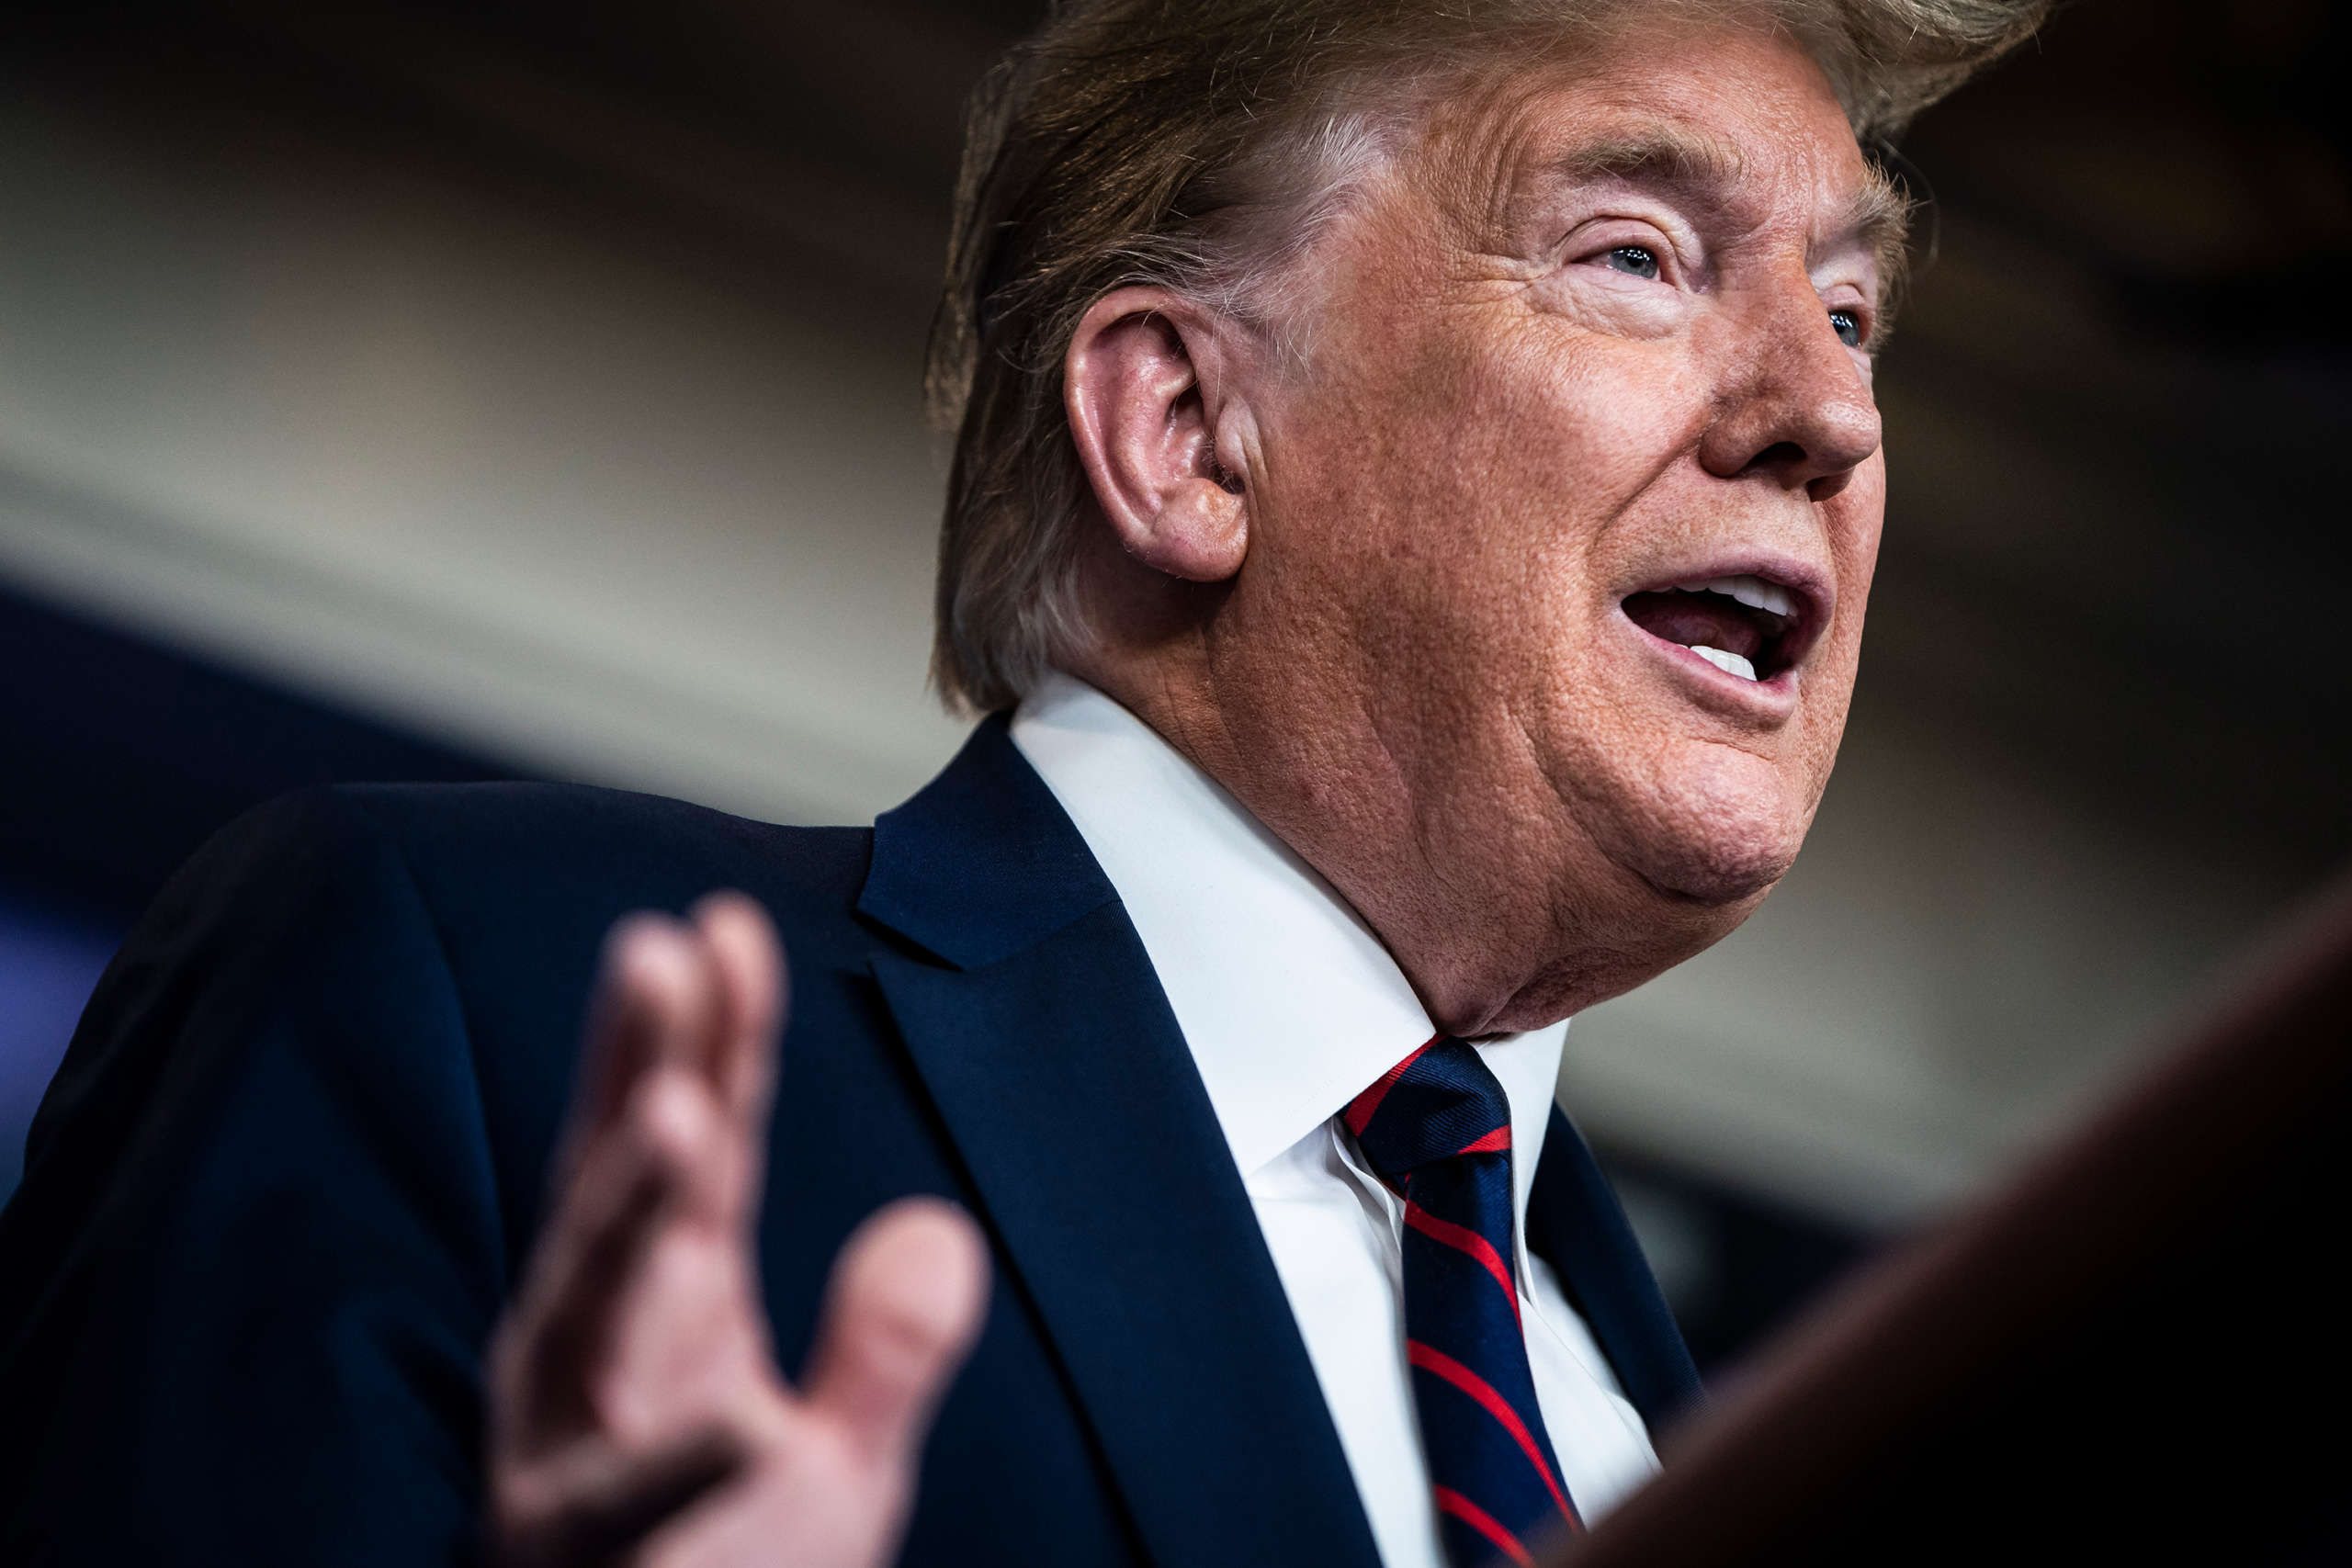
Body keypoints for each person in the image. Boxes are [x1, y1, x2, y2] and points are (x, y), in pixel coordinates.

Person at [0, 2, 2048, 1565]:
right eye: (1633, 255)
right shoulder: (464, 1004)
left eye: (1850, 307)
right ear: (1181, 432)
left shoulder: (1751, 1439)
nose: (1827, 413)